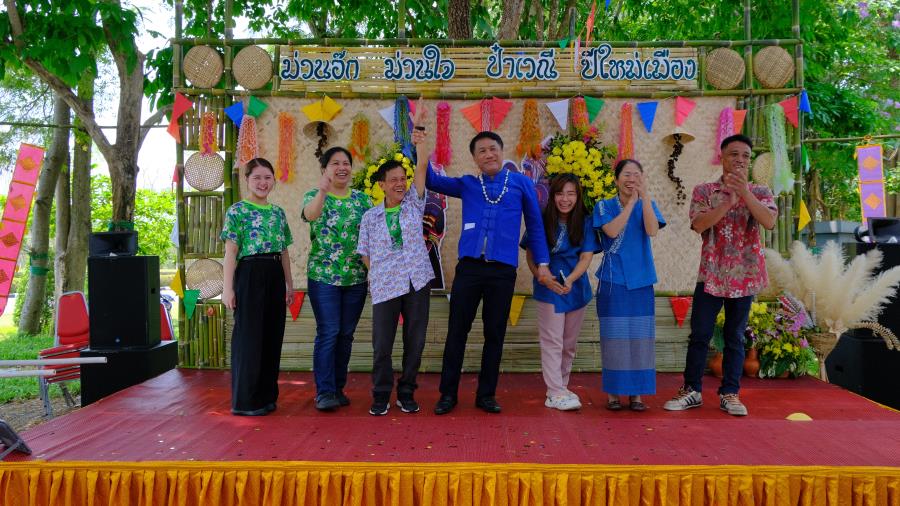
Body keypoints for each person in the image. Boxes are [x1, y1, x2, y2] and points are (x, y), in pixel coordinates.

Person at [427, 131, 553, 415]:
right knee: (457, 331)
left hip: (502, 270)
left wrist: (543, 263)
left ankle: (486, 395)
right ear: (475, 158)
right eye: (481, 151)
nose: (488, 154)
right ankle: (447, 394)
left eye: (492, 148)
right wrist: (419, 145)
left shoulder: (521, 183)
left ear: (501, 150)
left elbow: (535, 225)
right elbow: (431, 180)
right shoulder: (468, 184)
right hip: (469, 269)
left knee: (494, 333)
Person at [663, 134, 777, 417]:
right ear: (722, 158)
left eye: (745, 155)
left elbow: (769, 221)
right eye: (734, 154)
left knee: (735, 336)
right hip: (711, 274)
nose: (740, 160)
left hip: (745, 276)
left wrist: (745, 194)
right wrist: (727, 202)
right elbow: (699, 225)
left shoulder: (760, 191)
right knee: (700, 334)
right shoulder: (705, 191)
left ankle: (730, 393)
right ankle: (691, 390)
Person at [356, 104, 433, 416]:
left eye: (403, 178)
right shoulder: (370, 217)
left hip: (417, 281)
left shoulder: (414, 204)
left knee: (415, 342)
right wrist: (378, 273)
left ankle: (407, 392)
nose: (400, 184)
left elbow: (423, 164)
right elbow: (364, 253)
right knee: (382, 345)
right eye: (393, 180)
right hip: (385, 285)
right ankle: (380, 394)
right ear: (382, 185)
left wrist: (420, 131)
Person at [221, 158, 294, 416]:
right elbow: (231, 252)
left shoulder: (278, 213)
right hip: (249, 274)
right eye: (257, 178)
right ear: (247, 180)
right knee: (249, 337)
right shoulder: (237, 211)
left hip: (275, 274)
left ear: (273, 180)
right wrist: (227, 288)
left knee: (272, 336)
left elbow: (284, 251)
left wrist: (289, 284)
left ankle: (266, 396)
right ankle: (246, 401)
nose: (263, 183)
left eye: (267, 177)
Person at [302, 147, 372, 411]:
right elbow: (310, 215)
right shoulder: (313, 195)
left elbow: (372, 236)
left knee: (345, 335)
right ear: (324, 169)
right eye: (335, 163)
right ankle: (325, 392)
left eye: (346, 163)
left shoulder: (363, 200)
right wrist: (322, 191)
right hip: (324, 277)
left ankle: (338, 388)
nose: (342, 167)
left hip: (356, 278)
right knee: (329, 332)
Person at [522, 173, 600, 411]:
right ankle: (554, 391)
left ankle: (561, 387)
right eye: (560, 193)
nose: (565, 199)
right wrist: (542, 277)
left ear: (578, 196)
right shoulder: (541, 219)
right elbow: (531, 256)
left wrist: (571, 280)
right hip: (549, 288)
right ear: (552, 196)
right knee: (552, 342)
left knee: (568, 344)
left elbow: (586, 257)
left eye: (571, 194)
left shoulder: (585, 221)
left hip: (576, 288)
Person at [594, 159, 665, 412]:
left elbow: (652, 230)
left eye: (636, 174)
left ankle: (637, 394)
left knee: (640, 338)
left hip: (642, 279)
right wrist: (631, 203)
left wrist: (643, 200)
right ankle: (614, 393)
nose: (631, 179)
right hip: (613, 280)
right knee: (614, 337)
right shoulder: (603, 205)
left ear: (642, 178)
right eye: (626, 174)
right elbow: (611, 231)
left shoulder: (649, 204)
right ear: (616, 179)